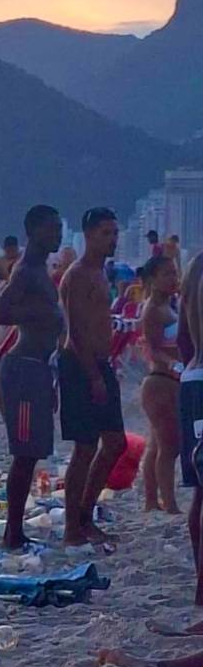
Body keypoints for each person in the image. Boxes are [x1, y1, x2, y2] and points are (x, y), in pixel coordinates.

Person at [0, 204, 65, 550]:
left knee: (33, 451)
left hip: (37, 367)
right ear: (33, 231)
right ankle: (12, 531)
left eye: (59, 228)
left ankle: (15, 529)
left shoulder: (40, 270)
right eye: (51, 229)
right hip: (22, 367)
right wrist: (36, 312)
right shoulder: (25, 271)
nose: (57, 234)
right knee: (24, 453)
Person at [58, 206, 125, 547]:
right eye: (105, 233)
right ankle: (73, 527)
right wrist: (93, 376)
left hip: (100, 363)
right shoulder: (79, 274)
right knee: (85, 448)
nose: (112, 239)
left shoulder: (102, 273)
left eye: (115, 233)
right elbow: (77, 331)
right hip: (80, 365)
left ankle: (85, 515)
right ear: (88, 235)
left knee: (116, 443)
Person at [139, 254, 181, 514]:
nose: (173, 279)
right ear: (153, 279)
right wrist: (173, 364)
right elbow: (152, 348)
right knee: (169, 446)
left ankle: (152, 501)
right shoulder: (153, 309)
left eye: (174, 273)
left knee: (156, 445)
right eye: (167, 274)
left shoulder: (169, 305)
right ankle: (170, 504)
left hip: (167, 382)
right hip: (160, 382)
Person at [177, 249, 203, 607]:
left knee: (200, 492)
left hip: (192, 377)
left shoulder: (195, 267)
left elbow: (183, 337)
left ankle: (201, 583)